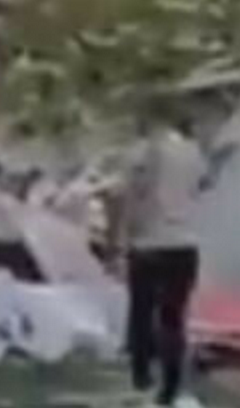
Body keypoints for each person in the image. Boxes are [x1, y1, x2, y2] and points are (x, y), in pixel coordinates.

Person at [115, 96, 209, 408]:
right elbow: (201, 187)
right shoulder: (193, 152)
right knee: (173, 318)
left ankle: (141, 377)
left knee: (141, 312)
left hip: (147, 245)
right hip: (184, 245)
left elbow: (129, 199)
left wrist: (120, 240)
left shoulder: (139, 152)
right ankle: (169, 387)